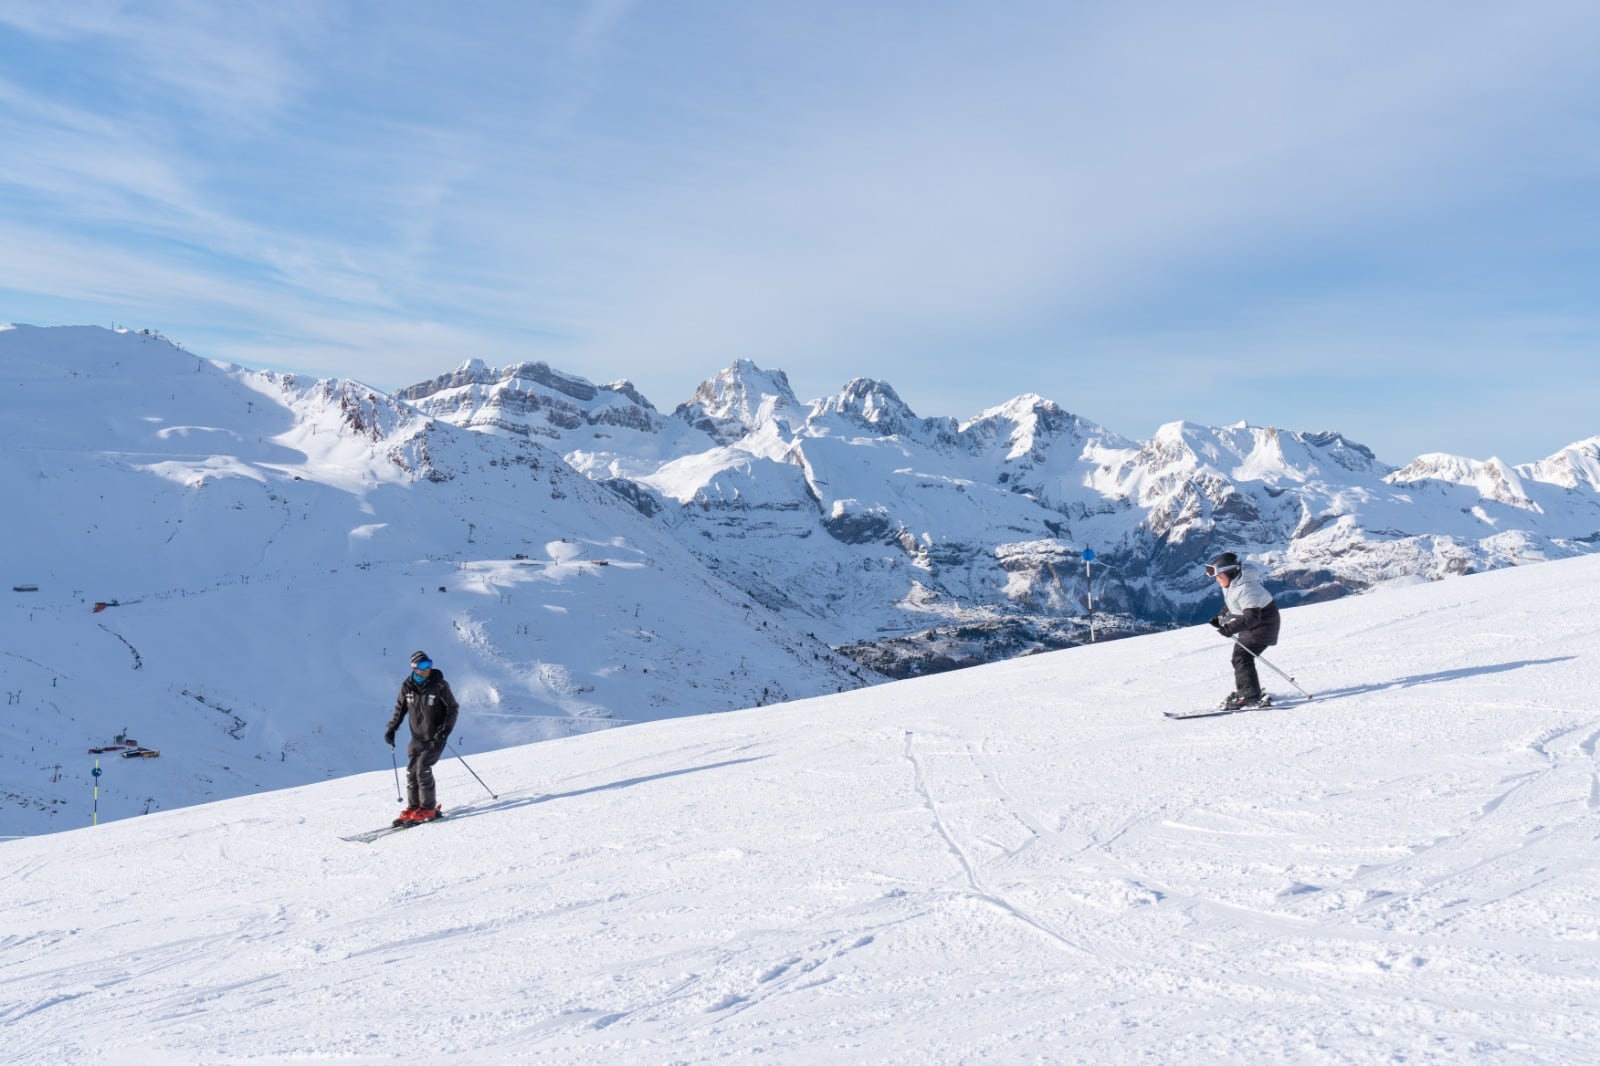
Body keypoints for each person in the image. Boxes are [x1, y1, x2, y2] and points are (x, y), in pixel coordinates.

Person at [384, 651, 460, 822]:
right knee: (411, 772)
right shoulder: (407, 687)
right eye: (423, 666)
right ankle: (414, 807)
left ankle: (428, 808)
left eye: (429, 665)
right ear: (414, 668)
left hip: (435, 737)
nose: (427, 669)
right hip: (417, 738)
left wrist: (445, 730)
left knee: (423, 768)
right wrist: (392, 729)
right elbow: (400, 709)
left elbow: (452, 708)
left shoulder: (439, 685)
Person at [1204, 552, 1281, 709]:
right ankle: (1249, 690)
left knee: (1242, 657)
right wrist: (1221, 618)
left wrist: (1229, 629)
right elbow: (1233, 604)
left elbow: (1252, 617)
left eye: (1219, 576)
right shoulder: (1234, 585)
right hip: (1254, 627)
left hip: (1263, 627)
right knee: (1240, 657)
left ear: (1230, 573)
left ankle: (1249, 694)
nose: (1216, 580)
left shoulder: (1246, 588)